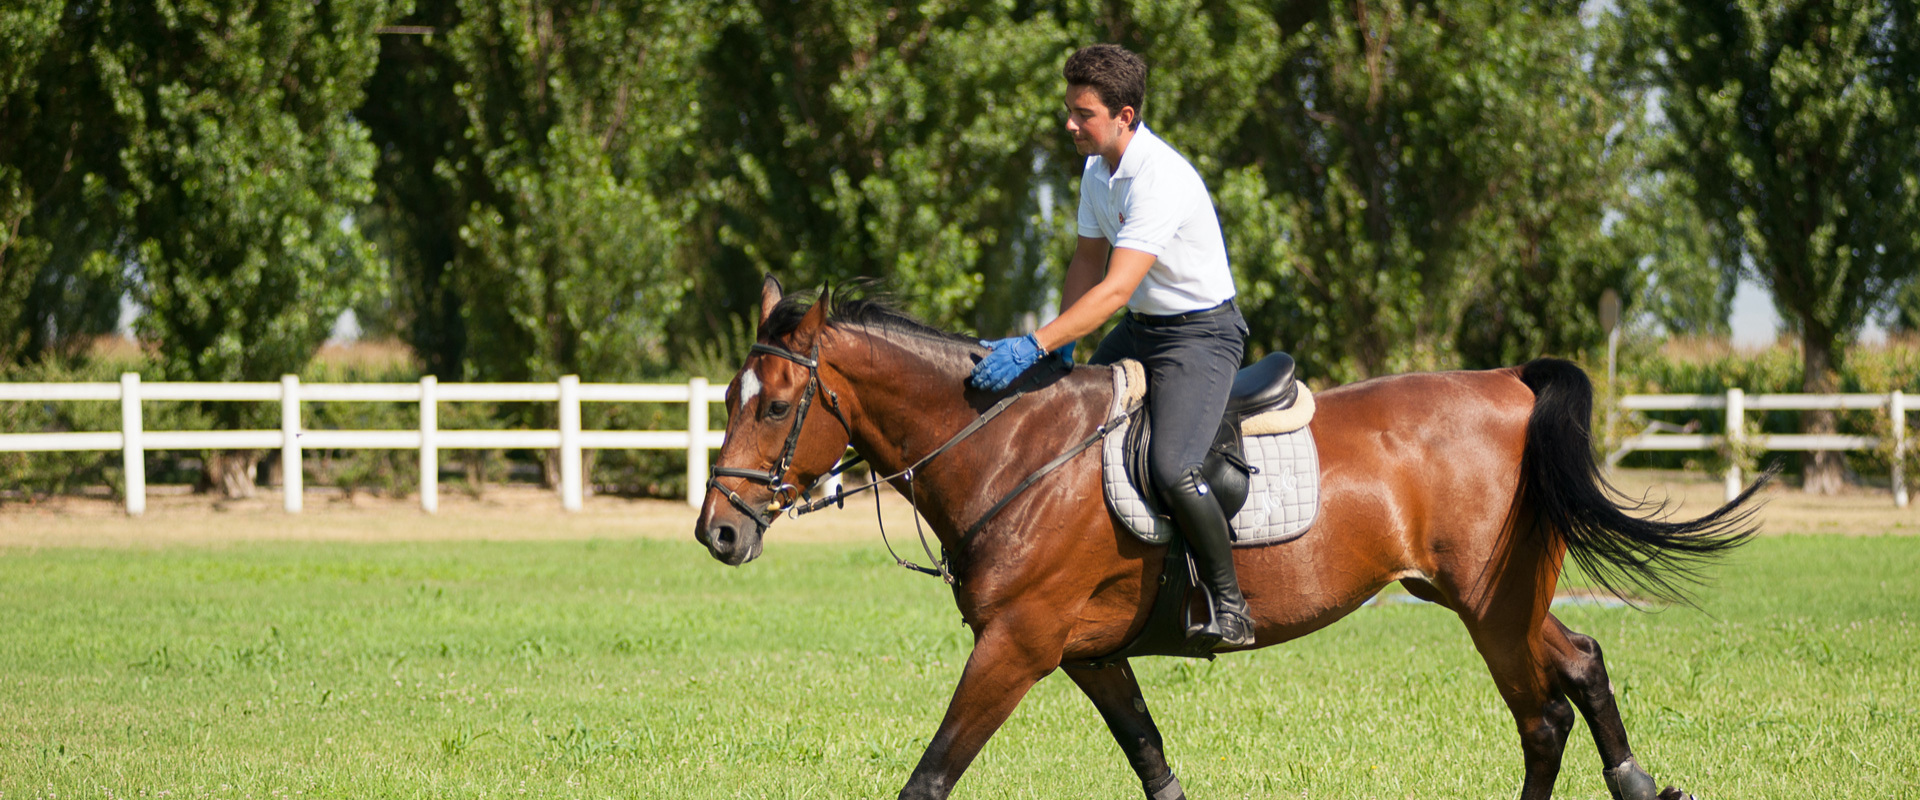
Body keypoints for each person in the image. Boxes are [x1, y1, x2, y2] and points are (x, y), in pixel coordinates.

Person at [969, 43, 1251, 649]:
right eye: (1069, 109)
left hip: (1199, 335)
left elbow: (1117, 288)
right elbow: (1087, 261)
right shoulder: (1098, 171)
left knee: (1173, 469)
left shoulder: (1160, 178)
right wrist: (1063, 340)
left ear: (1125, 115)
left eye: (1084, 113)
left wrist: (1036, 342)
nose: (1070, 123)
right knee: (1071, 437)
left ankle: (1230, 605)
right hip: (1144, 329)